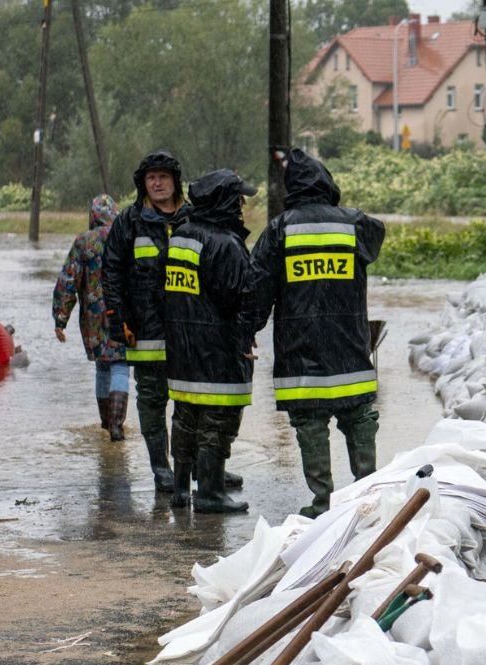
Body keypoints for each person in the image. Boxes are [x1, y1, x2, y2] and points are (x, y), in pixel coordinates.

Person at [250, 148, 385, 517]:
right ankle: (366, 492)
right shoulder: (356, 224)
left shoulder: (280, 229)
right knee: (358, 417)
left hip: (300, 346)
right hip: (349, 341)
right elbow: (378, 234)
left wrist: (248, 330)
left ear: (291, 188)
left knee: (310, 424)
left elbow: (258, 287)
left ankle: (323, 501)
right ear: (327, 182)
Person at [164, 169, 260, 513]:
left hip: (182, 346)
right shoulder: (225, 244)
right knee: (216, 423)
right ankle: (210, 493)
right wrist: (246, 337)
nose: (242, 206)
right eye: (238, 199)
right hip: (216, 351)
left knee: (185, 418)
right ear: (224, 201)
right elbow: (239, 299)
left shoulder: (182, 235)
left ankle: (180, 489)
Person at [101, 150, 185, 491]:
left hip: (188, 333)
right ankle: (161, 470)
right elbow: (112, 273)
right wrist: (117, 318)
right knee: (151, 402)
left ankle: (191, 469)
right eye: (152, 178)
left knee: (191, 405)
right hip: (146, 333)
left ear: (175, 180)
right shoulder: (129, 221)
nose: (158, 183)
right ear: (143, 184)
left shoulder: (192, 218)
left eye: (164, 176)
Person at [52, 194, 129, 439]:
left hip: (93, 319)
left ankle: (106, 423)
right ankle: (117, 425)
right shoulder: (126, 237)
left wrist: (60, 318)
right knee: (121, 366)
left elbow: (67, 281)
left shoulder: (83, 242)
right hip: (123, 315)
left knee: (102, 369)